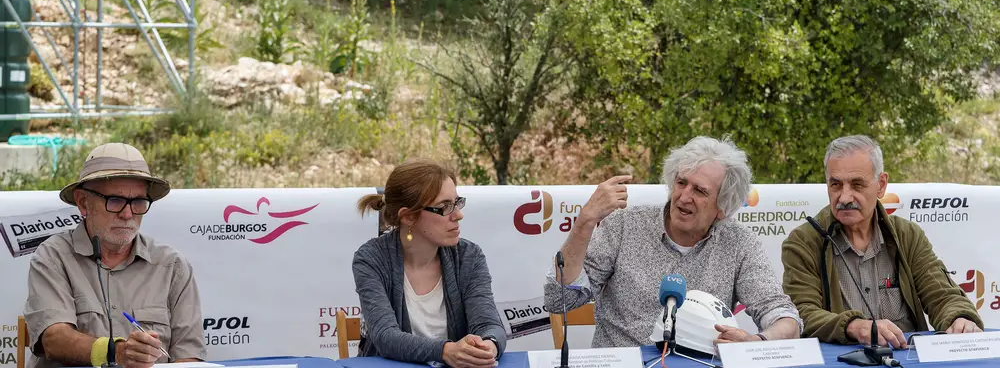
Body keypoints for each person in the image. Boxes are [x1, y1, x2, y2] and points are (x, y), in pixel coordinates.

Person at [544, 136, 802, 348]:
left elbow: (783, 315)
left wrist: (756, 342)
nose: (683, 197)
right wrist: (584, 222)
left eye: (700, 191)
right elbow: (560, 300)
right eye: (681, 183)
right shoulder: (623, 225)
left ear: (723, 207)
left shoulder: (740, 243)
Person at [782, 135, 983, 349]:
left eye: (857, 185)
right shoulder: (803, 242)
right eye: (836, 185)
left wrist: (960, 319)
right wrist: (854, 326)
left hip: (906, 359)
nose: (844, 197)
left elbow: (942, 295)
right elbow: (801, 314)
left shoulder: (907, 235)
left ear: (881, 185)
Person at [23, 143, 206, 368]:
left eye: (138, 201)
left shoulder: (172, 267)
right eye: (116, 201)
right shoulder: (53, 257)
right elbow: (54, 339)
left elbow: (188, 357)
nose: (128, 214)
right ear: (83, 202)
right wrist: (115, 352)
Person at [353, 159, 506, 368]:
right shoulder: (371, 258)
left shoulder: (469, 256)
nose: (458, 215)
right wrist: (446, 351)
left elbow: (489, 325)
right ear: (408, 217)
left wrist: (488, 346)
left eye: (457, 202)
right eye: (445, 207)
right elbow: (386, 336)